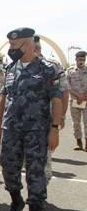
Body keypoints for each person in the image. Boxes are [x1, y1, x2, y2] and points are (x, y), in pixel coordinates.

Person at [0, 27, 62, 211]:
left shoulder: (47, 69)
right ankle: (16, 201)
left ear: (29, 45)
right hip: (11, 128)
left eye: (15, 45)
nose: (12, 48)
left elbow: (56, 99)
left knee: (35, 172)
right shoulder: (10, 68)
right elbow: (4, 98)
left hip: (36, 130)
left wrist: (55, 129)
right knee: (7, 167)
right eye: (11, 45)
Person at [34, 35, 70, 185]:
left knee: (45, 157)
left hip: (46, 119)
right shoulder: (18, 65)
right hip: (22, 122)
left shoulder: (52, 66)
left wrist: (61, 117)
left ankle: (41, 189)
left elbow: (64, 91)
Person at [67, 50, 87, 151]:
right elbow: (67, 86)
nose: (81, 61)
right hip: (75, 101)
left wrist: (84, 96)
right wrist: (78, 96)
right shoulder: (70, 71)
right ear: (76, 59)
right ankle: (79, 142)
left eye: (83, 59)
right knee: (76, 123)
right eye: (80, 59)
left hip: (86, 100)